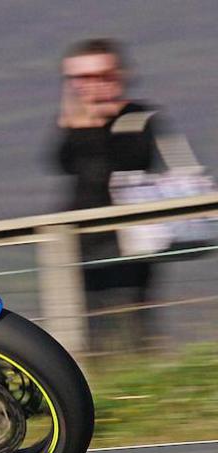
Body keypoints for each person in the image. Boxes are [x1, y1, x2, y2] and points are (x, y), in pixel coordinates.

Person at [54, 38, 186, 351]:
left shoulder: (139, 117)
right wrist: (80, 121)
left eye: (102, 76)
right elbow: (63, 163)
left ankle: (138, 381)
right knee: (87, 327)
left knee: (130, 321)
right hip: (81, 243)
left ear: (119, 76)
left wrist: (93, 123)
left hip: (130, 243)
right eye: (80, 79)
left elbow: (124, 163)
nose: (92, 86)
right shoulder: (76, 121)